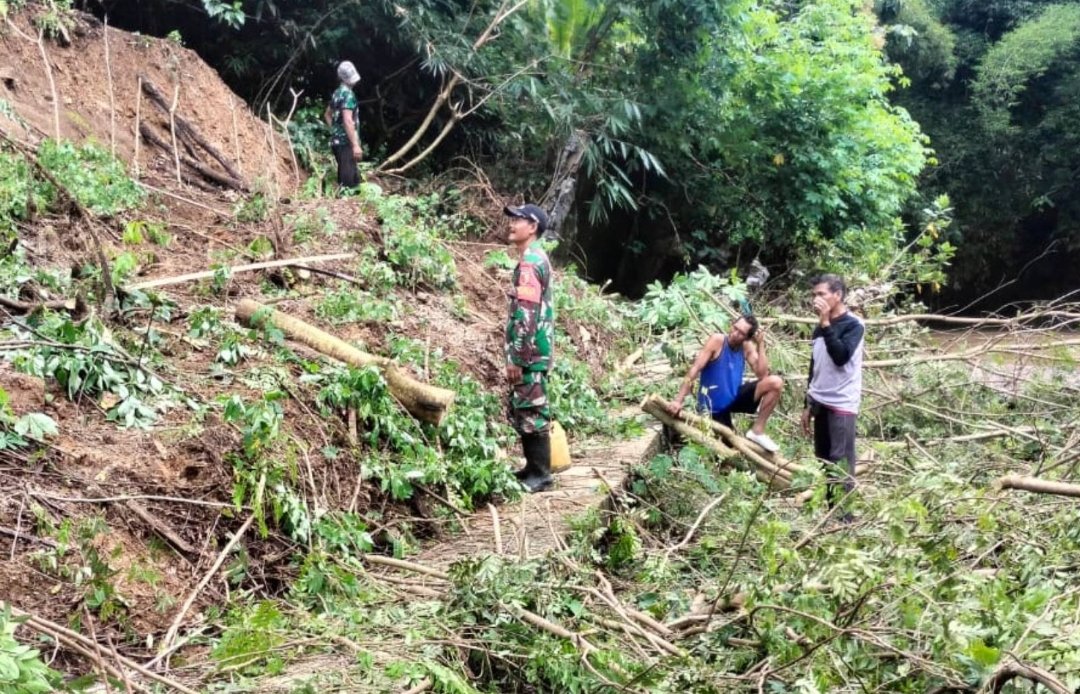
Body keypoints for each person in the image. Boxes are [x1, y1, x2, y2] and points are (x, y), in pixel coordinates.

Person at [667, 315, 784, 453]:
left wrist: (761, 345)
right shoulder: (717, 341)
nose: (735, 334)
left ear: (747, 337)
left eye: (741, 333)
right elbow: (695, 369)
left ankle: (757, 431)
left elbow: (762, 375)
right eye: (735, 328)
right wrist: (678, 400)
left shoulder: (746, 347)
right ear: (731, 324)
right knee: (728, 451)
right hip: (712, 407)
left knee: (775, 382)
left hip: (733, 398)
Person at [800, 273, 864, 510]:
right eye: (814, 294)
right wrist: (807, 404)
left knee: (841, 461)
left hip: (842, 402)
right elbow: (814, 366)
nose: (816, 299)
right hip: (819, 400)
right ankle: (831, 512)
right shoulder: (819, 328)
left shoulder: (854, 325)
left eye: (821, 294)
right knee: (825, 459)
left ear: (838, 295)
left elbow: (840, 357)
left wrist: (826, 323)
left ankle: (845, 517)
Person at [503, 203, 556, 493]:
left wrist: (518, 357)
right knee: (526, 406)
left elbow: (526, 313)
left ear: (533, 227)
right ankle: (532, 468)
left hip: (531, 352)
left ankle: (541, 474)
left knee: (532, 409)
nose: (512, 224)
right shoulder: (534, 257)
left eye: (519, 220)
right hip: (535, 350)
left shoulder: (530, 263)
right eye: (512, 219)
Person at [323, 60, 363, 190]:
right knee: (348, 186)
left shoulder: (337, 93)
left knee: (352, 179)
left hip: (337, 142)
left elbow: (327, 114)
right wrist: (355, 145)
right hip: (346, 142)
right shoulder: (348, 95)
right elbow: (348, 120)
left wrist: (335, 130)